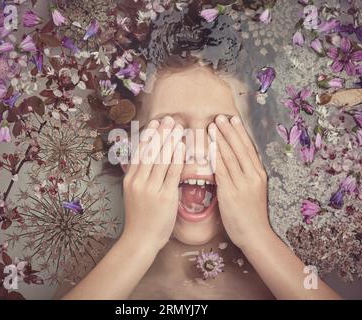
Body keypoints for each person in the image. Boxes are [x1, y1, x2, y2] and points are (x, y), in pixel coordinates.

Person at [62, 60, 341, 300]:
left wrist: (258, 237)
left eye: (220, 129)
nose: (196, 149)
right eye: (171, 129)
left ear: (261, 154)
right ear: (126, 153)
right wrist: (139, 242)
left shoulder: (301, 266)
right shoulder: (92, 263)